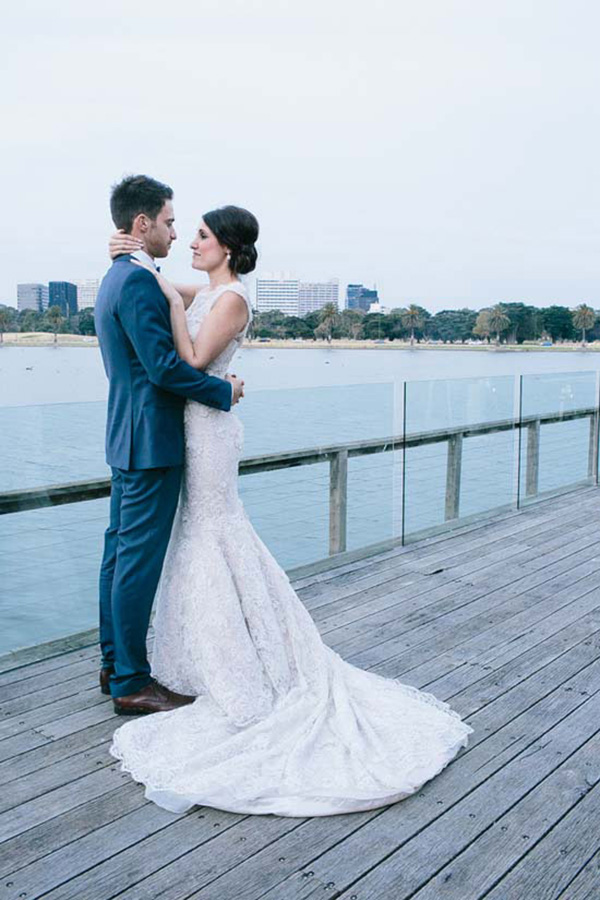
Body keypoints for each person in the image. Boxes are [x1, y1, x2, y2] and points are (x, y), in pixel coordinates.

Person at [108, 204, 473, 817]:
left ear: (226, 246)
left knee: (216, 534)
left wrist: (174, 311)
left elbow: (192, 362)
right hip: (193, 429)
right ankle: (197, 656)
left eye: (200, 236)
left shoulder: (231, 302)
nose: (190, 242)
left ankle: (240, 663)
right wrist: (130, 250)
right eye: (185, 231)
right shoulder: (210, 289)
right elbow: (161, 283)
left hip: (208, 432)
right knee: (197, 539)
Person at [95, 175, 244, 717]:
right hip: (151, 442)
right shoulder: (136, 281)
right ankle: (132, 681)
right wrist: (222, 391)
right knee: (135, 562)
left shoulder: (124, 274)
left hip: (127, 437)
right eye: (170, 221)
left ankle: (116, 662)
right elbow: (161, 368)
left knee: (118, 555)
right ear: (143, 224)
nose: (176, 233)